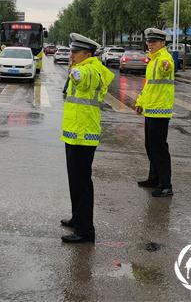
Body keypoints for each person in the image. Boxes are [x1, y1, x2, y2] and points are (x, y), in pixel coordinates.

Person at [60, 33, 115, 243]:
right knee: (75, 181)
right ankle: (77, 218)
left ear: (88, 53)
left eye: (75, 51)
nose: (71, 54)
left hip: (83, 135)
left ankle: (85, 231)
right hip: (75, 133)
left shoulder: (91, 69)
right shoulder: (85, 67)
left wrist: (73, 70)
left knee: (82, 183)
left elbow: (82, 80)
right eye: (71, 51)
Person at [134, 28, 175, 198]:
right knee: (150, 146)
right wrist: (140, 102)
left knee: (159, 148)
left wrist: (166, 66)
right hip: (151, 109)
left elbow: (168, 68)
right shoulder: (152, 60)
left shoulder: (164, 58)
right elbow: (149, 86)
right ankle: (154, 178)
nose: (150, 44)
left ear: (162, 43)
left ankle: (166, 185)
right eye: (149, 42)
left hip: (160, 110)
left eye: (154, 42)